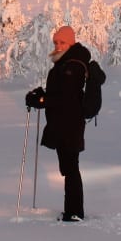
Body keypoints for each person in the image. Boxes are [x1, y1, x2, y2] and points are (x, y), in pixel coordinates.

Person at [38, 25, 92, 222]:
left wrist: (42, 100)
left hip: (70, 124)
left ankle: (75, 212)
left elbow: (66, 98)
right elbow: (59, 95)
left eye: (62, 42)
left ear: (71, 42)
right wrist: (41, 96)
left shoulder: (73, 66)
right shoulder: (65, 63)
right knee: (69, 168)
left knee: (70, 168)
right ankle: (72, 210)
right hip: (64, 124)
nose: (58, 46)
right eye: (56, 42)